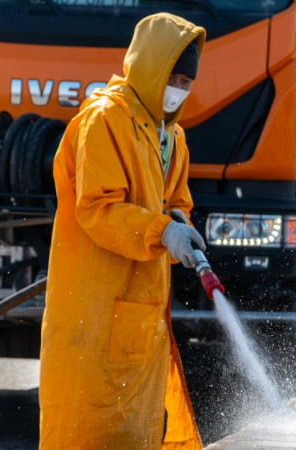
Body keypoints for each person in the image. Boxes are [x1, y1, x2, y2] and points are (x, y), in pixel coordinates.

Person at [39, 13, 206, 449]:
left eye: (188, 82)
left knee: (135, 432)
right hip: (94, 314)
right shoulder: (104, 121)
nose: (181, 90)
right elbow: (97, 208)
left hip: (140, 314)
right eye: (176, 78)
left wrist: (179, 223)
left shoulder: (173, 136)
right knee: (87, 430)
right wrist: (162, 233)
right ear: (151, 67)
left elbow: (174, 201)